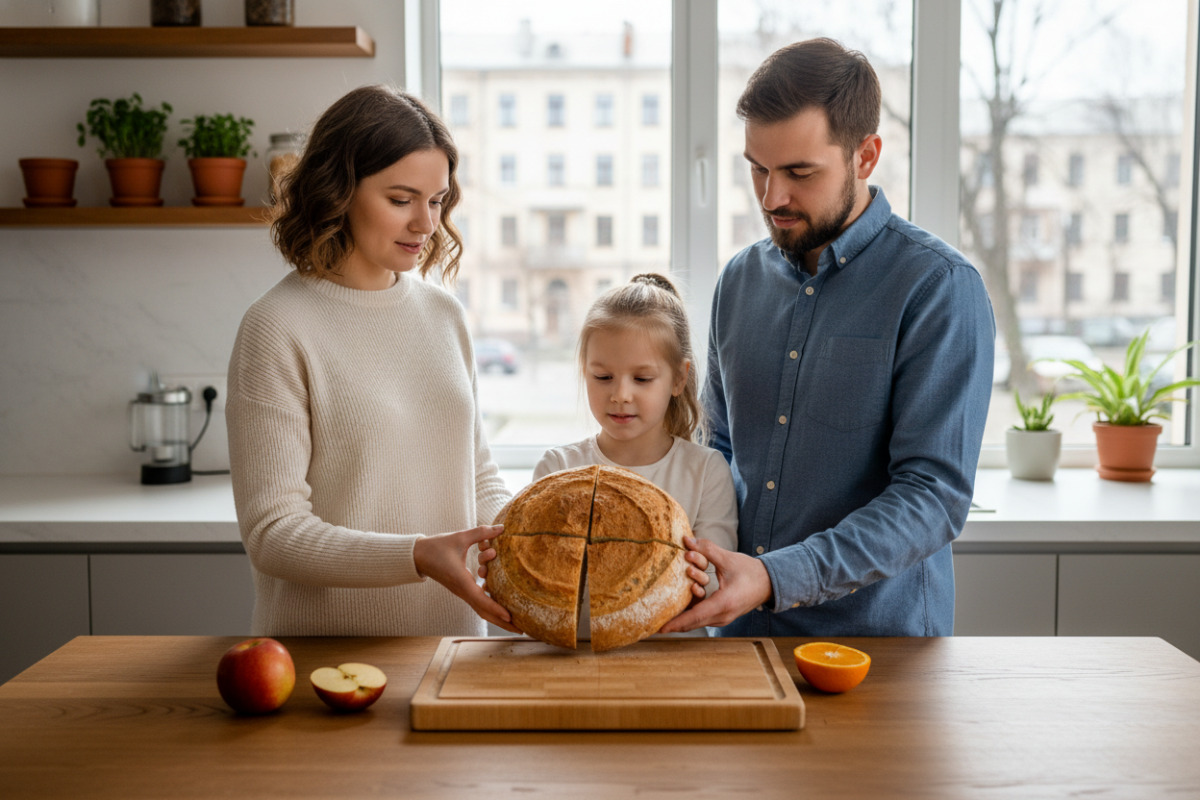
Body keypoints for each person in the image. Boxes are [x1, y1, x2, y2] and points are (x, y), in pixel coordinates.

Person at [661, 38, 995, 638]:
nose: (772, 197)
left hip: (877, 651)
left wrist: (776, 576)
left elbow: (932, 496)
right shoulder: (739, 280)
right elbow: (720, 452)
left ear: (865, 156)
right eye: (758, 169)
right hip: (740, 638)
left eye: (799, 172)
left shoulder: (939, 288)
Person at [226, 85, 515, 637]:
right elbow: (273, 533)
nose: (426, 224)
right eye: (401, 200)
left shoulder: (444, 315)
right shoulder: (277, 326)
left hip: (451, 643)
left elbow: (475, 475)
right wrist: (416, 555)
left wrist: (534, 532)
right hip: (324, 655)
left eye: (437, 201)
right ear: (337, 192)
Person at [530, 274, 737, 632]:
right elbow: (542, 583)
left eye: (642, 379)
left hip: (679, 660)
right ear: (584, 372)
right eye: (603, 377)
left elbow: (712, 581)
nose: (620, 395)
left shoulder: (706, 472)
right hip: (575, 658)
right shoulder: (557, 469)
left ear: (679, 378)